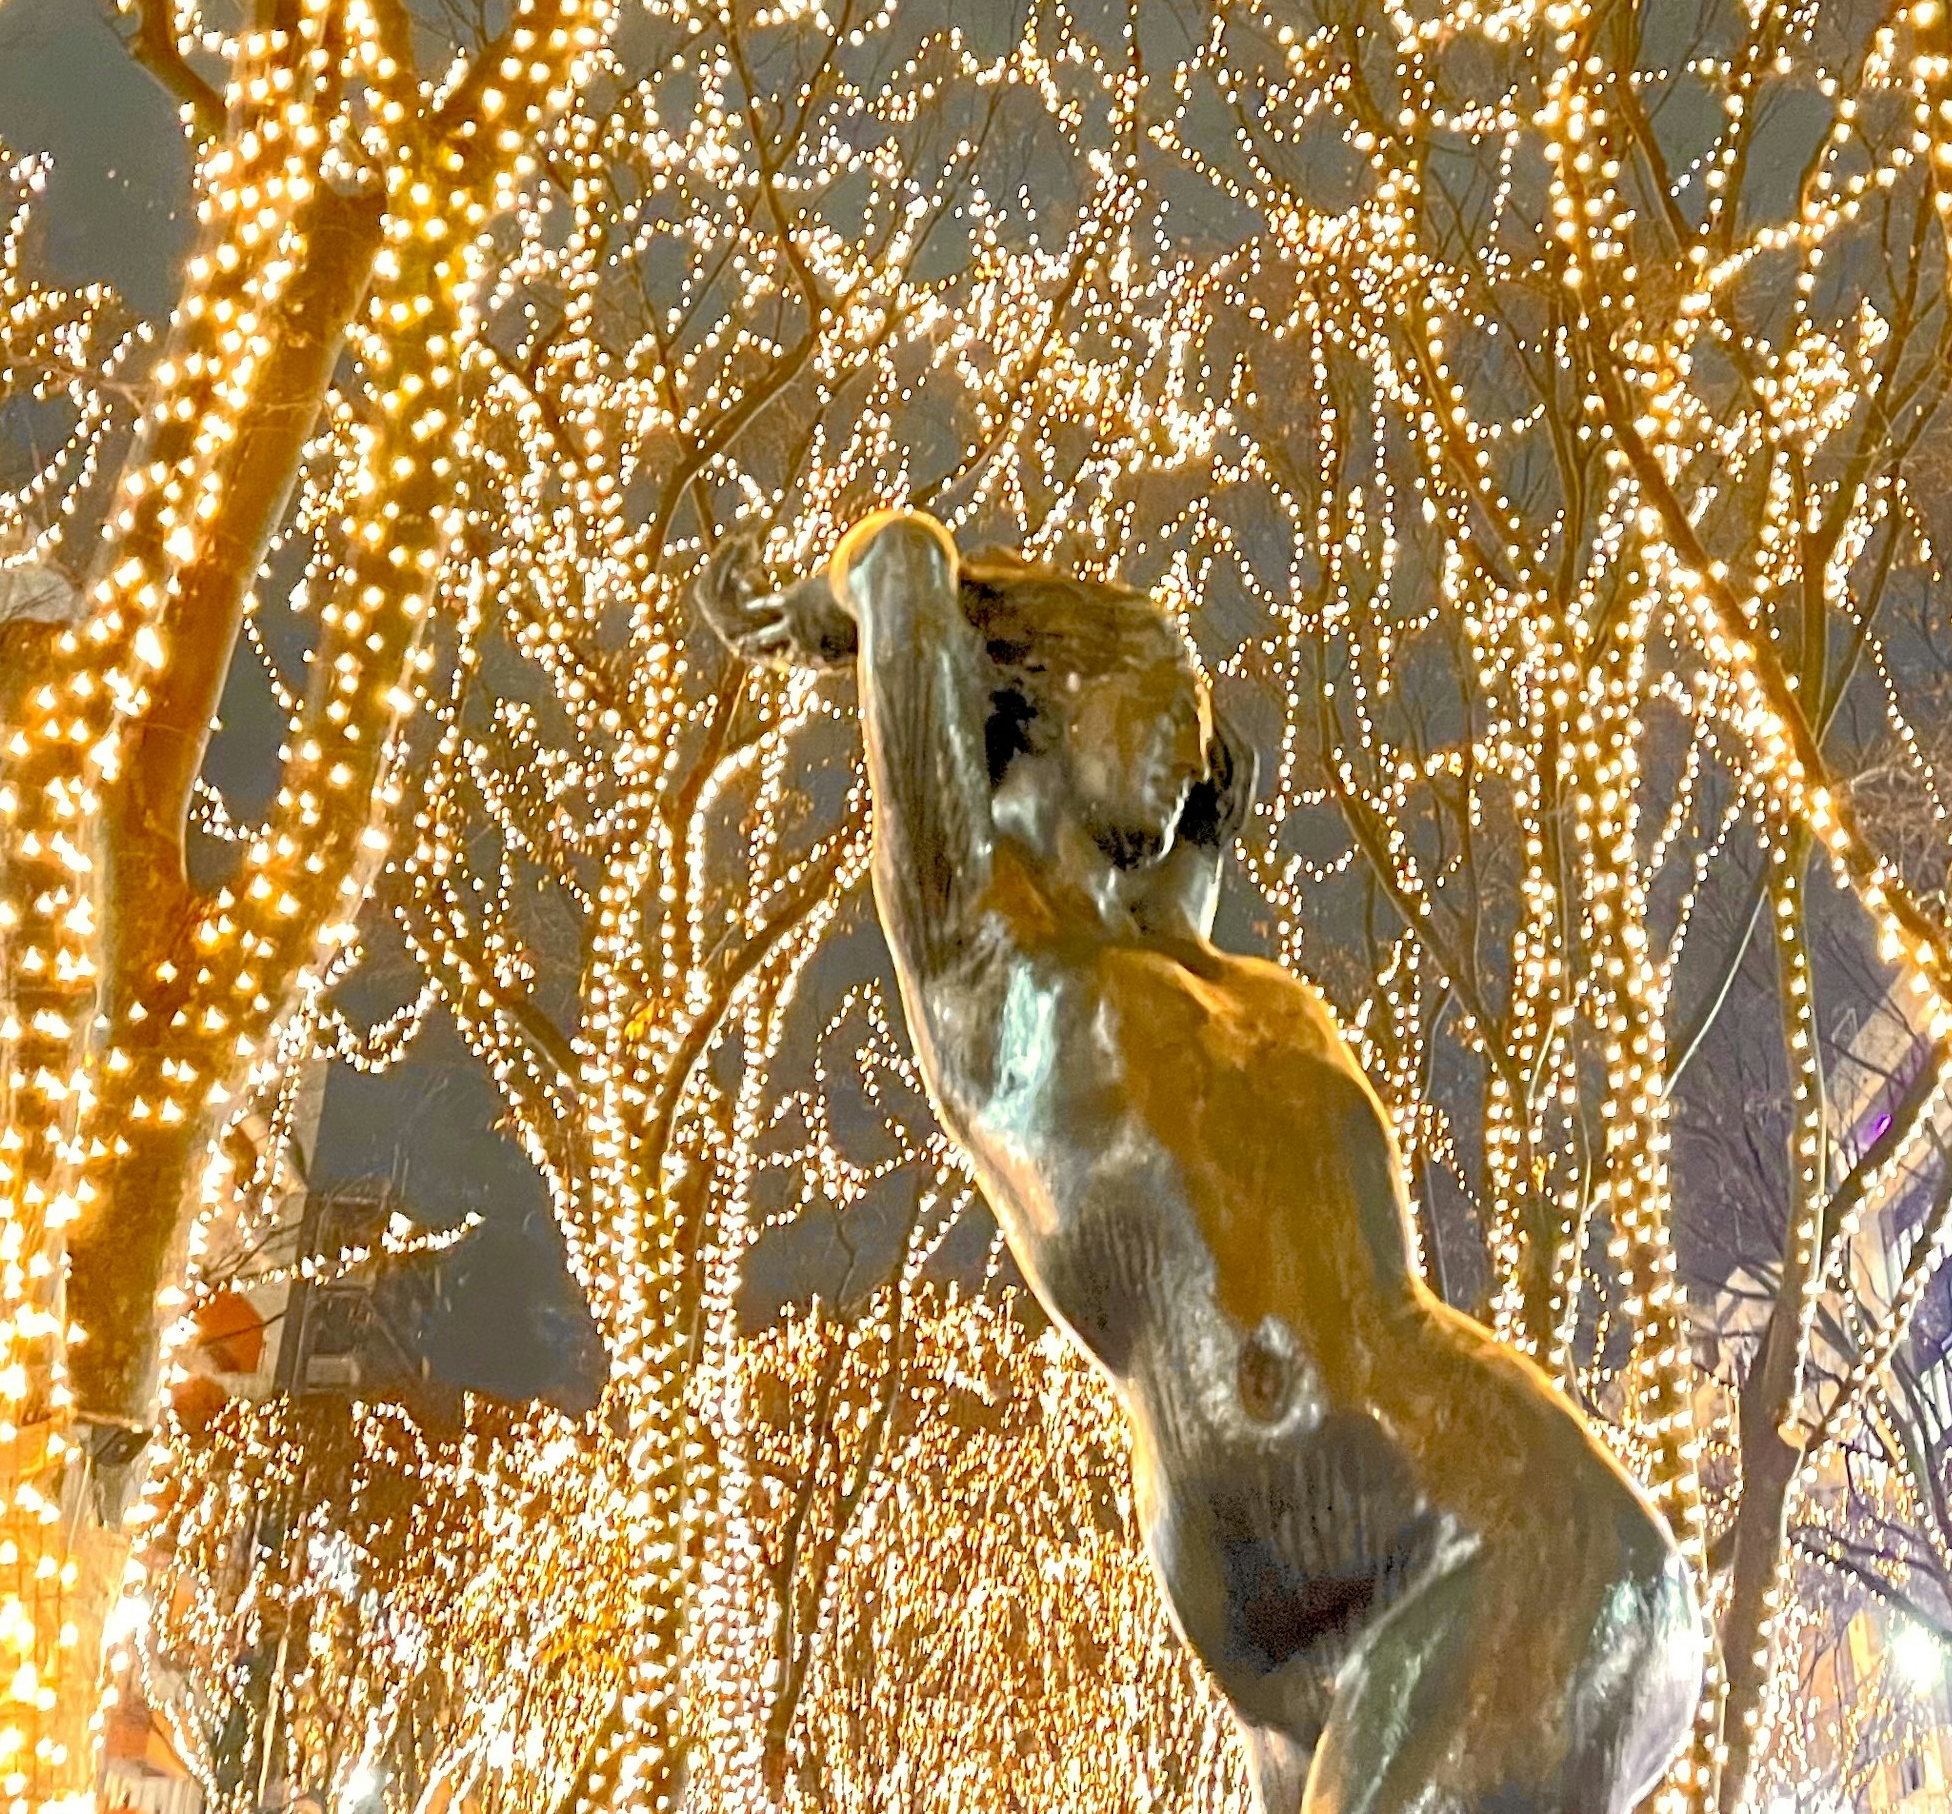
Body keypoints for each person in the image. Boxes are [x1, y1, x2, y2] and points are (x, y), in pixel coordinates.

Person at [706, 510, 1701, 1814]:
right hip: (1313, 1677)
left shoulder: (1210, 976)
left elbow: (1198, 816)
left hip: (1500, 1550)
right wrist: (866, 614)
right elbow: (903, 560)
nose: (1190, 746)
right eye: (1161, 702)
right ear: (1051, 711)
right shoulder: (992, 974)